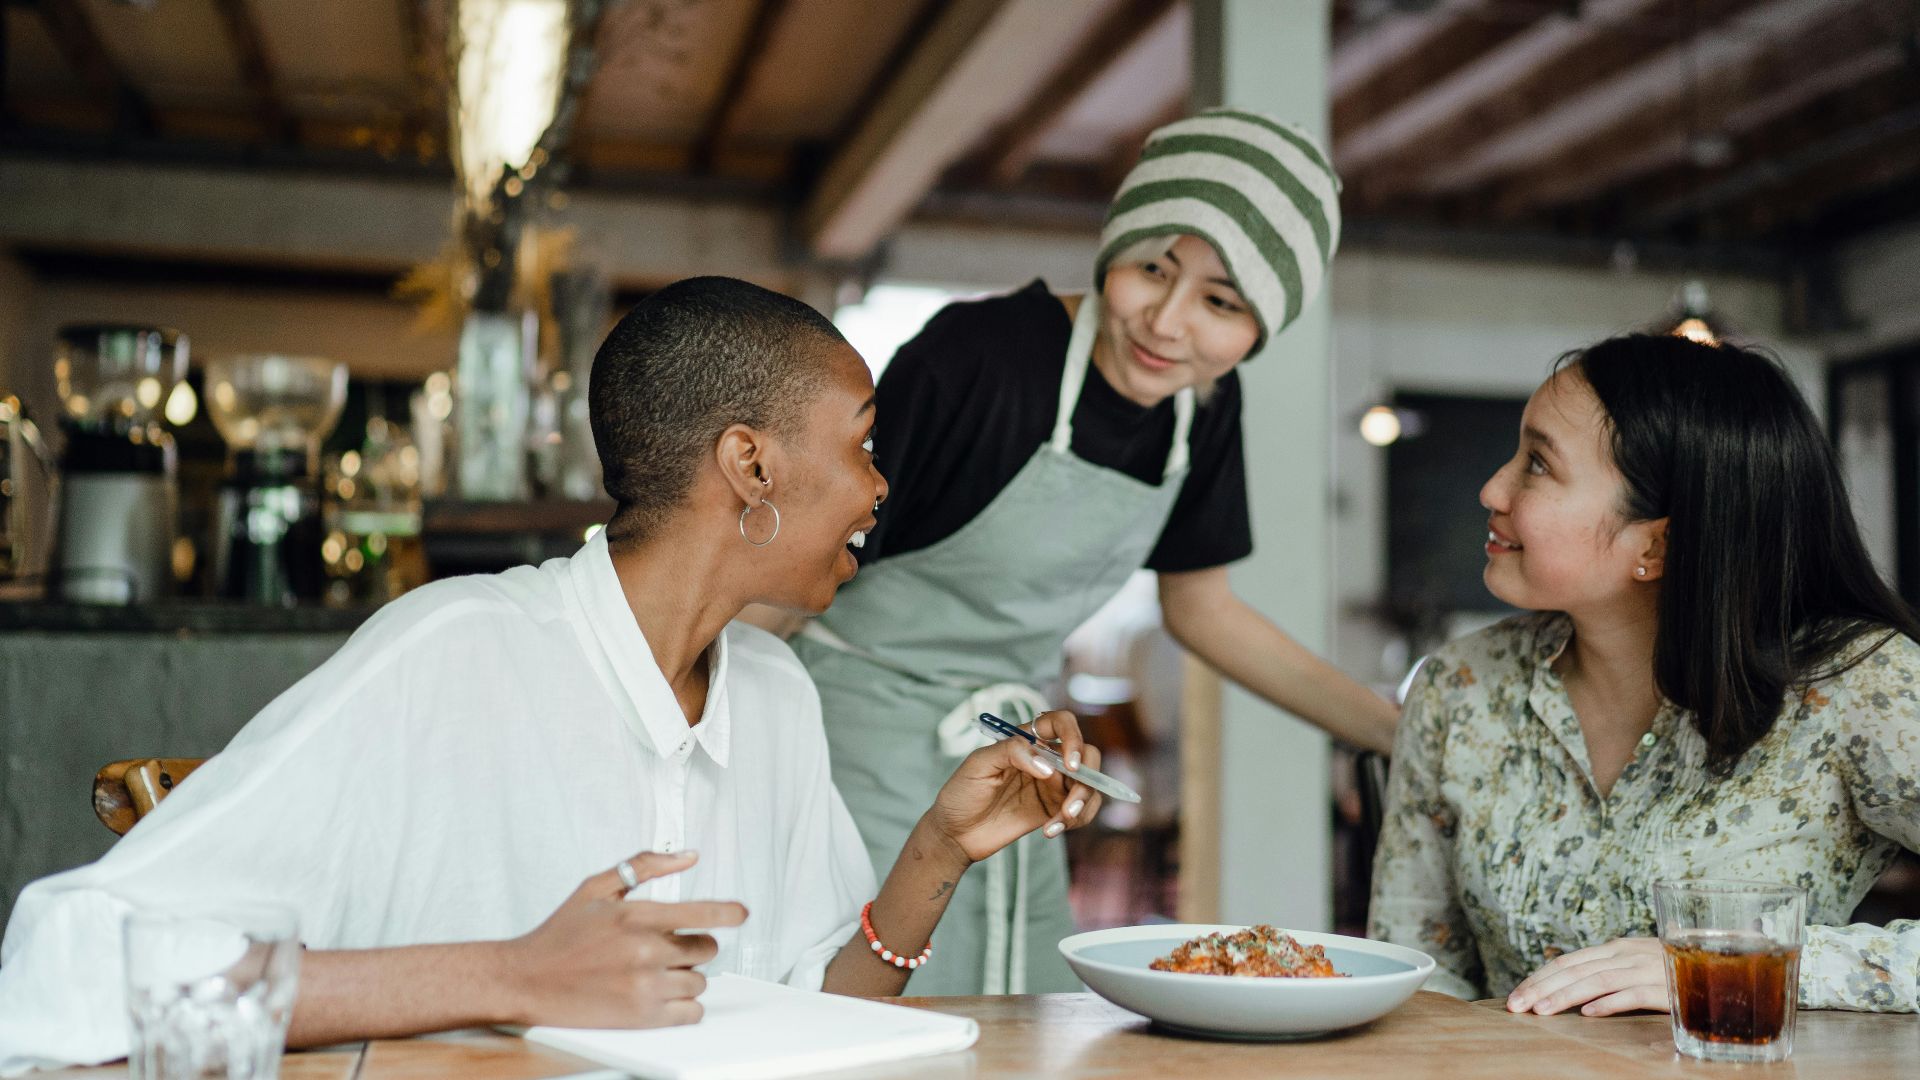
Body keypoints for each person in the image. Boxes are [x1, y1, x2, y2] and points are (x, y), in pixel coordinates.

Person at [0, 277, 1109, 1073]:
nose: (881, 487)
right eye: (863, 443)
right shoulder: (454, 652)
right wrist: (510, 976)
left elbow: (811, 1022)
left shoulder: (775, 693)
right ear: (750, 464)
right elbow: (67, 961)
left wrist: (940, 848)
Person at [782, 109, 1399, 996]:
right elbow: (798, 559)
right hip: (852, 740)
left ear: (1258, 333)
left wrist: (1394, 734)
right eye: (1154, 268)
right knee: (875, 1006)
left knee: (1022, 1007)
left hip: (1015, 748)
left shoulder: (1206, 412)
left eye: (1221, 303)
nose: (1169, 323)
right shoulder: (981, 356)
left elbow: (1203, 610)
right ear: (1116, 246)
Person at [1368, 333, 1920, 1015]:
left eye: (1537, 464)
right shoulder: (1460, 686)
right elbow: (1415, 976)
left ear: (1656, 543)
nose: (1492, 488)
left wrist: (1727, 967)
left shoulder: (1856, 685)